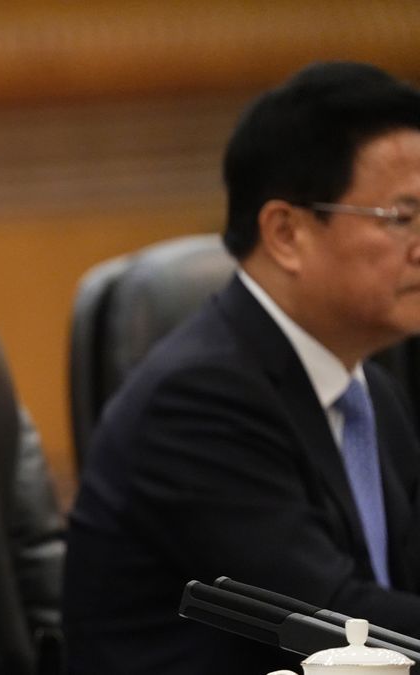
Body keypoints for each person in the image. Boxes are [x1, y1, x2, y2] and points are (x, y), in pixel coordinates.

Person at [63, 61, 420, 674]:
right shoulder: (199, 403)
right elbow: (335, 629)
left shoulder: (370, 392)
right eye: (402, 217)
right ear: (286, 233)